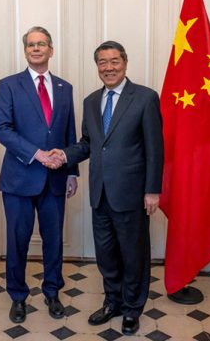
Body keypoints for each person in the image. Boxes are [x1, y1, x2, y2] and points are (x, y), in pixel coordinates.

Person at [47, 41, 163, 335]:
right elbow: (88, 144)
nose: (108, 68)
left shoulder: (145, 98)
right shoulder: (90, 101)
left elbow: (155, 148)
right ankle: (113, 302)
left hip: (131, 194)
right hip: (100, 194)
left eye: (114, 61)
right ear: (97, 66)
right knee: (106, 255)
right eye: (102, 62)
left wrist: (152, 190)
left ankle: (132, 309)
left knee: (133, 255)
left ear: (125, 63)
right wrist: (64, 155)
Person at [0, 26, 78, 324]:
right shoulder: (8, 85)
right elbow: (1, 129)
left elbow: (69, 133)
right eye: (31, 45)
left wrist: (72, 173)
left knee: (54, 240)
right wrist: (37, 154)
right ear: (25, 51)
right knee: (17, 240)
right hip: (19, 178)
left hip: (55, 179)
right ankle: (18, 296)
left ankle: (52, 292)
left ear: (51, 50)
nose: (36, 49)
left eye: (42, 44)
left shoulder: (65, 88)